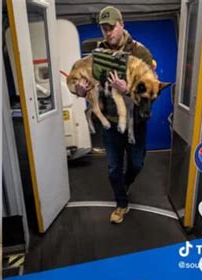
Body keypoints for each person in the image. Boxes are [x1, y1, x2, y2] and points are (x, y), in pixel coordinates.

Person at [76, 6, 154, 224]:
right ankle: (121, 203)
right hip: (110, 122)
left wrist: (127, 88)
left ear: (122, 24)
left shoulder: (141, 53)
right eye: (104, 29)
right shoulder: (97, 54)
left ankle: (125, 183)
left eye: (112, 27)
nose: (108, 33)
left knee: (137, 164)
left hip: (135, 122)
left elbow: (151, 90)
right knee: (112, 169)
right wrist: (82, 91)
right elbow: (89, 84)